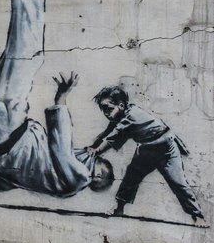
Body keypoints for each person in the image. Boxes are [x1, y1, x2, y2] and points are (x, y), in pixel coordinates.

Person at [0, 0, 112, 197]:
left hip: (8, 128)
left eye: (94, 161)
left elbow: (62, 150)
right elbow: (13, 180)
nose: (88, 154)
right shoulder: (51, 181)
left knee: (26, 59)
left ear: (97, 176)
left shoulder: (80, 178)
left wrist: (61, 100)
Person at [86, 86, 207, 227]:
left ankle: (197, 215)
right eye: (103, 109)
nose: (106, 113)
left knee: (178, 182)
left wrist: (96, 151)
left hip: (166, 148)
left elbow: (111, 139)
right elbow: (107, 133)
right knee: (130, 178)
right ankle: (119, 208)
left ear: (121, 105)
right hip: (146, 149)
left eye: (108, 108)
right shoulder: (122, 114)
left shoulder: (130, 117)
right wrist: (93, 146)